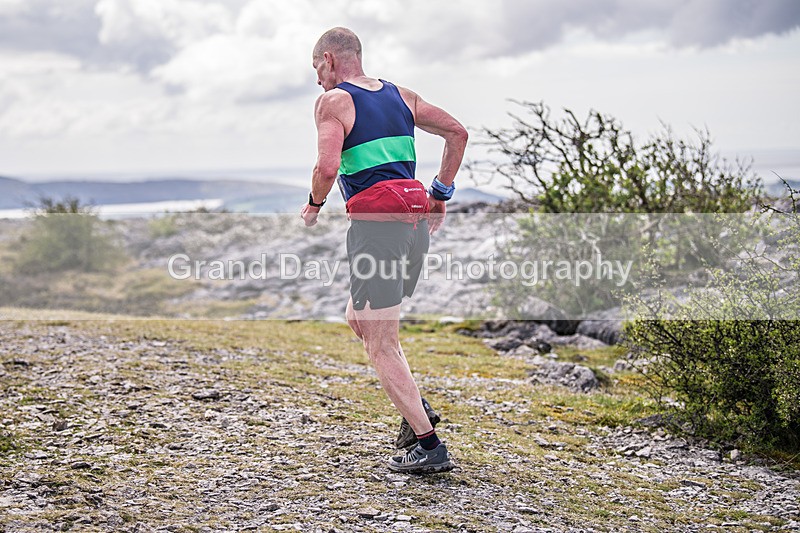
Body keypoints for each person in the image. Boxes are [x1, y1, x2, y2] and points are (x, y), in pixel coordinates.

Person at [300, 27, 468, 474]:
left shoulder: (333, 101)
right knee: (358, 319)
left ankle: (428, 446)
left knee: (381, 344)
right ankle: (415, 404)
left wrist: (314, 204)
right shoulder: (402, 96)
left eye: (316, 67)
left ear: (329, 59)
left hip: (378, 231)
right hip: (412, 226)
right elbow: (457, 133)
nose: (317, 79)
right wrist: (439, 193)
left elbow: (327, 167)